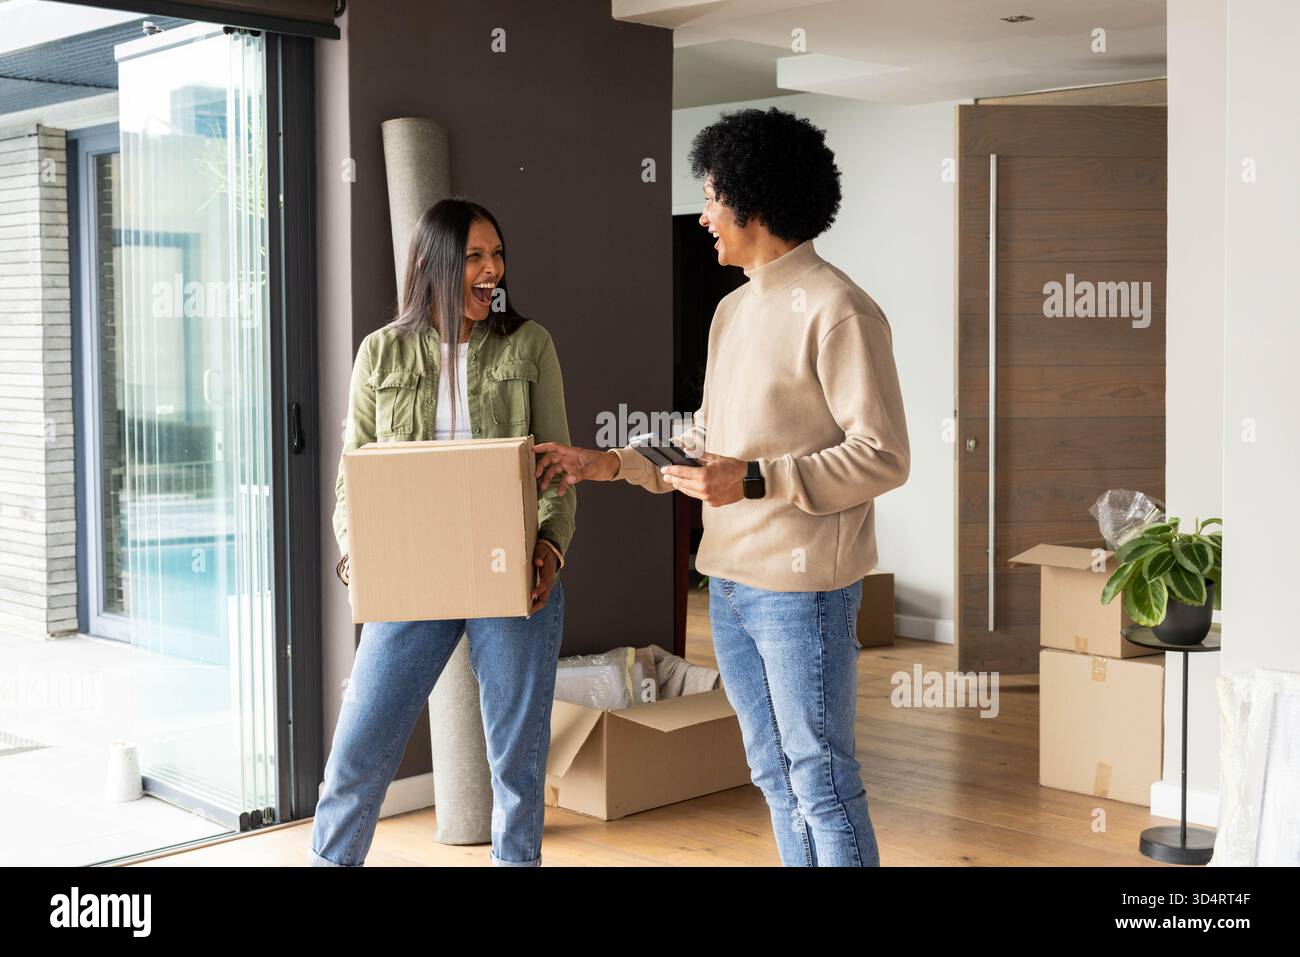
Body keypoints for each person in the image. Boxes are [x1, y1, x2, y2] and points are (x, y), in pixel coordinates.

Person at [534, 107, 909, 867]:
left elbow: (884, 455)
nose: (703, 215)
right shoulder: (732, 310)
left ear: (755, 200)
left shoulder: (841, 311)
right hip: (731, 586)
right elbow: (711, 434)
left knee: (822, 779)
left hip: (802, 592)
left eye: (711, 196)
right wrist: (605, 462)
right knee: (773, 772)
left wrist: (761, 477)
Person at [309, 198, 575, 867]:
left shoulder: (529, 343)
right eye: (477, 257)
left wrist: (550, 545)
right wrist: (357, 553)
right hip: (413, 577)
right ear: (434, 264)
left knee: (516, 764)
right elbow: (353, 475)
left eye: (498, 254)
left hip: (508, 571)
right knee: (357, 753)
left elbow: (556, 465)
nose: (493, 271)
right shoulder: (381, 352)